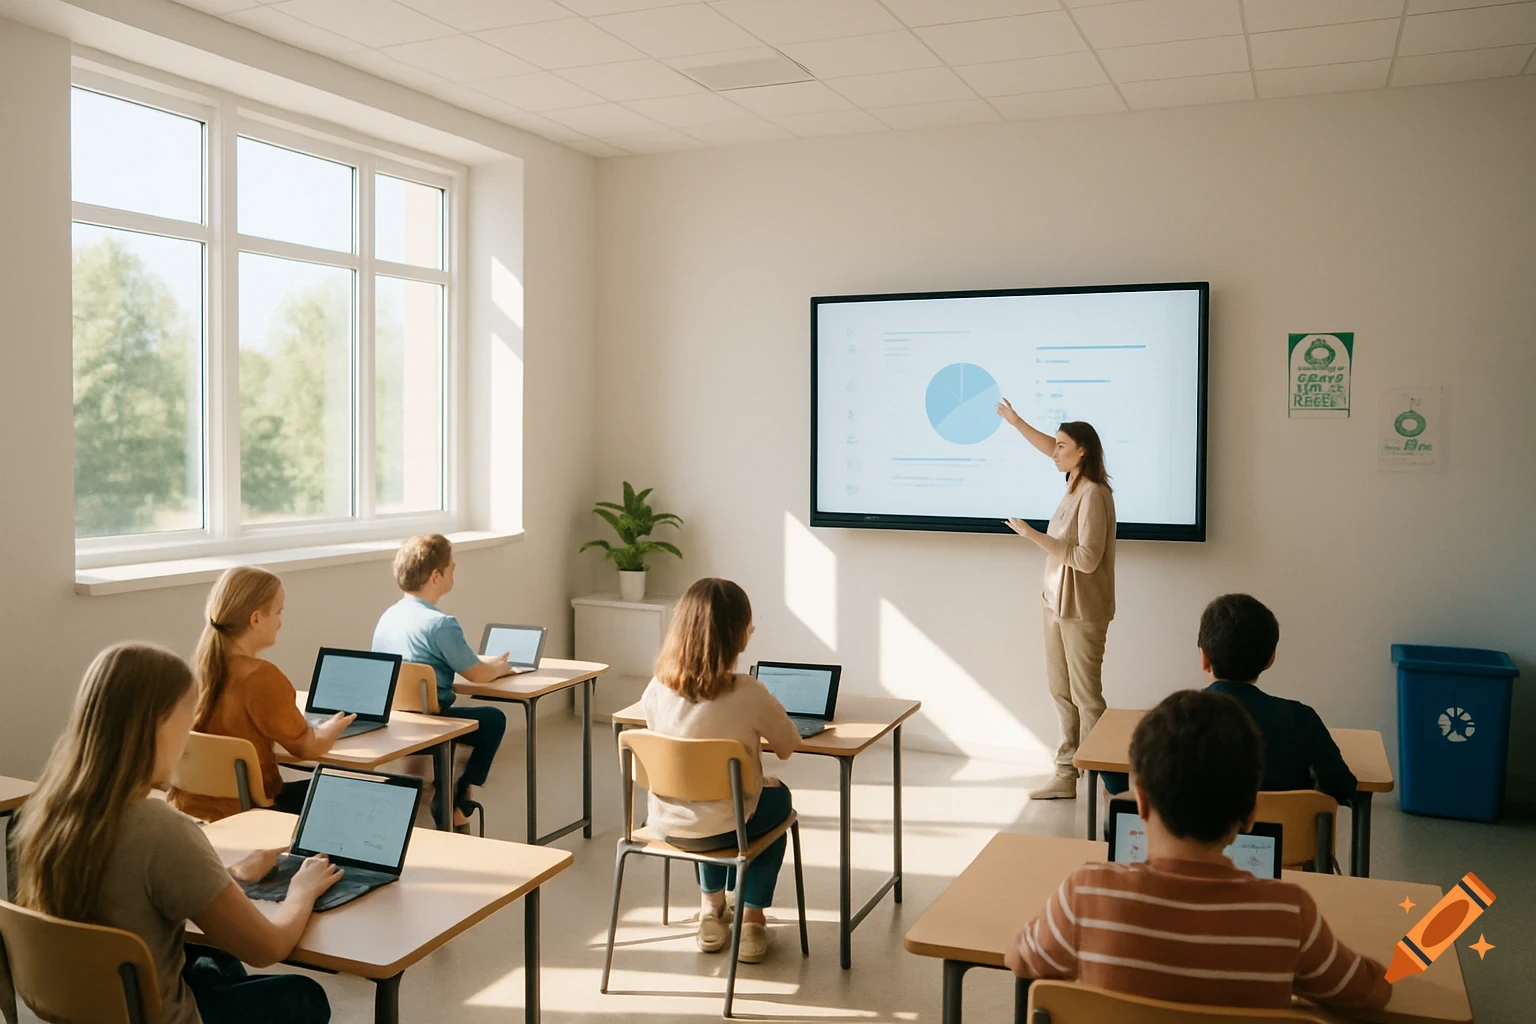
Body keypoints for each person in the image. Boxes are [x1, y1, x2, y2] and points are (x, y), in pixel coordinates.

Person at [12, 643, 342, 1024]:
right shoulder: (159, 828)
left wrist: (231, 877)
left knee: (213, 961)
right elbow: (267, 948)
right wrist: (302, 891)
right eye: (187, 725)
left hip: (88, 1011)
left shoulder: (37, 816)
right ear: (158, 725)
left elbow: (130, 890)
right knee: (303, 996)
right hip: (157, 1016)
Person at [1007, 689, 1391, 1012]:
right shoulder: (1289, 915)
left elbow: (1020, 958)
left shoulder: (1087, 893)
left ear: (1139, 803)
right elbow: (1372, 993)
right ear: (1251, 813)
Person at [640, 578, 801, 964]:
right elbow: (788, 747)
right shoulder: (749, 692)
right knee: (777, 803)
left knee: (703, 801)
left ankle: (712, 912)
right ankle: (751, 920)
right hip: (727, 827)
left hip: (669, 824)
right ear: (740, 635)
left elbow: (668, 747)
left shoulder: (658, 687)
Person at [1103, 594, 1358, 807]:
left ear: (1204, 658)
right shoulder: (1301, 719)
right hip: (1283, 857)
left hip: (1195, 853)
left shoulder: (1172, 718)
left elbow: (1119, 782)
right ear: (1271, 659)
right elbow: (1342, 787)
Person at [996, 400, 1117, 800]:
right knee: (1060, 692)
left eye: (1062, 446)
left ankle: (1107, 780)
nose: (1055, 451)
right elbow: (1047, 446)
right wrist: (1015, 423)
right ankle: (1066, 774)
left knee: (1087, 698)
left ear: (1082, 451)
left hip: (1083, 611)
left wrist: (1032, 535)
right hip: (1055, 604)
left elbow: (1086, 559)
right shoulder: (1073, 485)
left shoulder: (1094, 495)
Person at [170, 566, 355, 821]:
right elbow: (307, 748)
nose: (280, 622)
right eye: (278, 612)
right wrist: (333, 727)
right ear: (255, 619)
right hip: (251, 809)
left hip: (191, 808)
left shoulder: (194, 672)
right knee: (351, 793)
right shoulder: (261, 677)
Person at [372, 534, 511, 831]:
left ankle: (440, 793)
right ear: (436, 576)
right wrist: (501, 668)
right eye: (452, 567)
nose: (454, 572)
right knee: (493, 720)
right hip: (430, 717)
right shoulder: (441, 623)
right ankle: (457, 799)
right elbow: (477, 674)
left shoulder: (389, 616)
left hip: (394, 715)